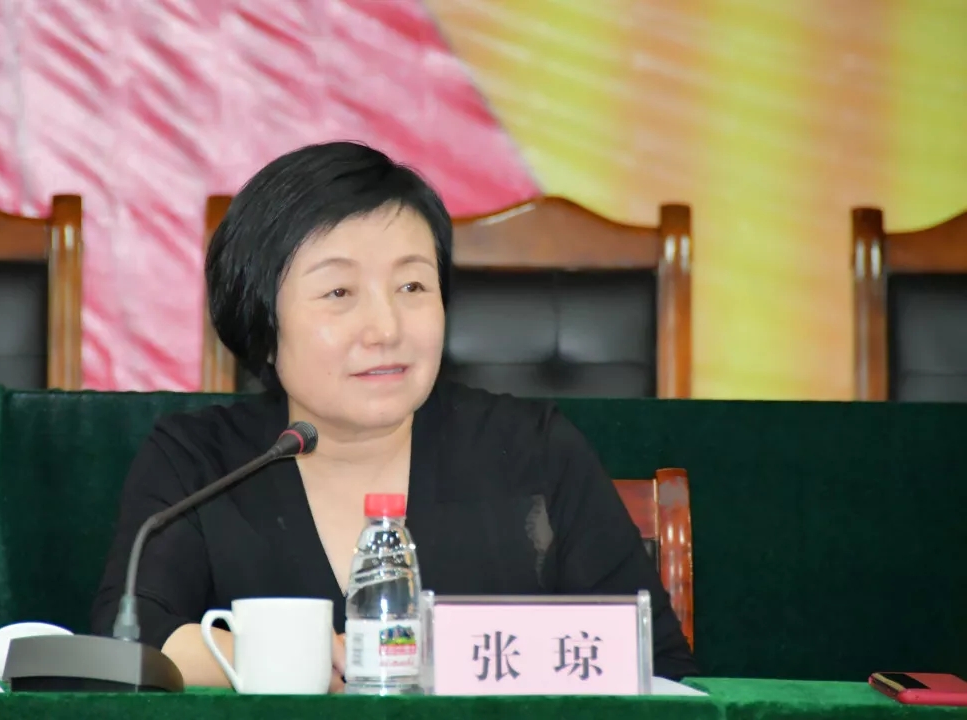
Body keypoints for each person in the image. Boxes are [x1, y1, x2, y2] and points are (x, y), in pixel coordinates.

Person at [90, 140, 698, 690]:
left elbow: (657, 669)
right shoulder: (200, 464)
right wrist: (292, 659)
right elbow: (128, 646)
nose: (385, 329)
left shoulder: (531, 451)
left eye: (412, 287)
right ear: (263, 326)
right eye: (339, 293)